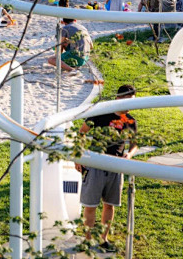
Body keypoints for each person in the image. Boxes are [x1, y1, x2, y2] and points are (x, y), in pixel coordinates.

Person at [75, 84, 138, 252]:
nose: (129, 104)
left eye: (132, 101)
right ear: (118, 98)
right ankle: (87, 239)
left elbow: (134, 145)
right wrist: (78, 156)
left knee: (109, 205)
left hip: (116, 166)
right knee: (90, 205)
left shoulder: (131, 121)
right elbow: (81, 132)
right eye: (126, 100)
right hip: (95, 164)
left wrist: (129, 155)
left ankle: (103, 239)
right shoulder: (101, 113)